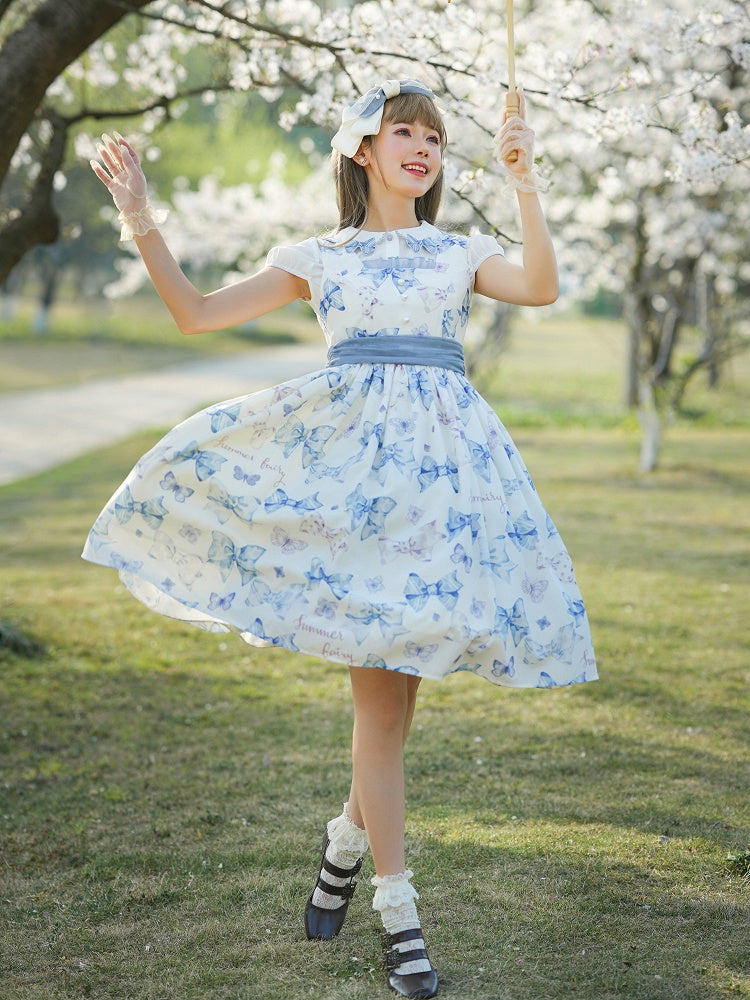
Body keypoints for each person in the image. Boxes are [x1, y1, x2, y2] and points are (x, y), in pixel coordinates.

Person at [85, 78, 597, 1000]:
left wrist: (524, 181)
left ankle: (342, 850)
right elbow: (196, 313)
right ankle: (399, 919)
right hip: (353, 495)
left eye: (435, 138)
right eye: (405, 132)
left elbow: (543, 286)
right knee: (382, 715)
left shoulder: (457, 252)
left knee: (393, 714)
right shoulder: (320, 257)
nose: (424, 148)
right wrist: (141, 218)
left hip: (442, 492)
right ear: (364, 149)